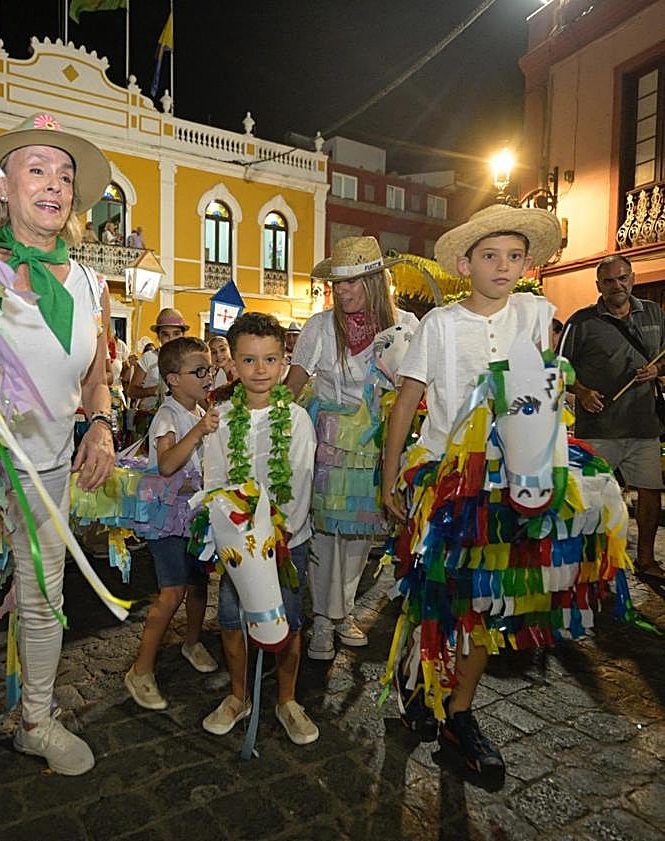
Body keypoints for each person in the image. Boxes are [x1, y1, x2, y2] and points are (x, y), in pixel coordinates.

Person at [382, 205, 571, 780]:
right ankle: (417, 677)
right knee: (438, 597)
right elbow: (410, 400)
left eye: (515, 256)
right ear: (466, 263)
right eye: (491, 255)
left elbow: (547, 395)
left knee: (488, 603)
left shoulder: (539, 315)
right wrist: (389, 474)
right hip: (444, 478)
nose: (504, 266)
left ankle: (459, 714)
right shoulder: (439, 325)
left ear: (528, 264)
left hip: (509, 483)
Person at [0, 113, 115, 775]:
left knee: (46, 601)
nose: (54, 184)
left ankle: (37, 721)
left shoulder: (89, 284)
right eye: (37, 168)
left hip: (47, 469)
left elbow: (98, 375)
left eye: (65, 174)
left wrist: (101, 424)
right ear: (3, 187)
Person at [285, 236, 418, 660]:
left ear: (375, 281)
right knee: (324, 533)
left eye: (352, 282)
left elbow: (414, 390)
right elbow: (294, 384)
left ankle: (343, 613)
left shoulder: (404, 328)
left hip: (375, 445)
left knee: (360, 534)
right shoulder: (319, 327)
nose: (341, 291)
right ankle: (323, 619)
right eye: (337, 283)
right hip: (325, 442)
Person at [202, 313, 319, 745]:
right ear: (232, 361)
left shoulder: (298, 420)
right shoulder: (220, 418)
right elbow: (214, 480)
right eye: (249, 360)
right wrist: (230, 531)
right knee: (232, 618)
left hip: (286, 541)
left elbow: (301, 482)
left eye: (270, 359)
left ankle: (287, 699)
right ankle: (239, 695)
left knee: (287, 619)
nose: (260, 370)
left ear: (284, 361)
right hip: (237, 544)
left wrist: (278, 532)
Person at [125, 337, 220, 710]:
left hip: (194, 515)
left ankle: (192, 641)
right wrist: (198, 433)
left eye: (209, 369)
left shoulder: (198, 412)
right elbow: (166, 464)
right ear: (172, 379)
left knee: (198, 585)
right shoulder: (168, 415)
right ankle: (141, 669)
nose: (208, 376)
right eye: (199, 371)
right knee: (171, 592)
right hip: (167, 517)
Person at [560, 254, 665, 582]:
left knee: (650, 492)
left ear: (632, 278)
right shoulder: (580, 322)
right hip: (598, 429)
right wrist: (582, 391)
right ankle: (595, 566)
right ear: (599, 286)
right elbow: (559, 369)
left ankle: (646, 560)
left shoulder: (653, 313)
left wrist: (657, 370)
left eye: (622, 278)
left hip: (644, 426)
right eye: (609, 281)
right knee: (593, 498)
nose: (617, 285)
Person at [127, 308, 188, 438]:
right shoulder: (149, 358)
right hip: (150, 420)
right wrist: (153, 391)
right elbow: (131, 391)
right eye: (165, 334)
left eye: (176, 333)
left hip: (180, 420)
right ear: (159, 336)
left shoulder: (189, 359)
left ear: (183, 335)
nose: (171, 339)